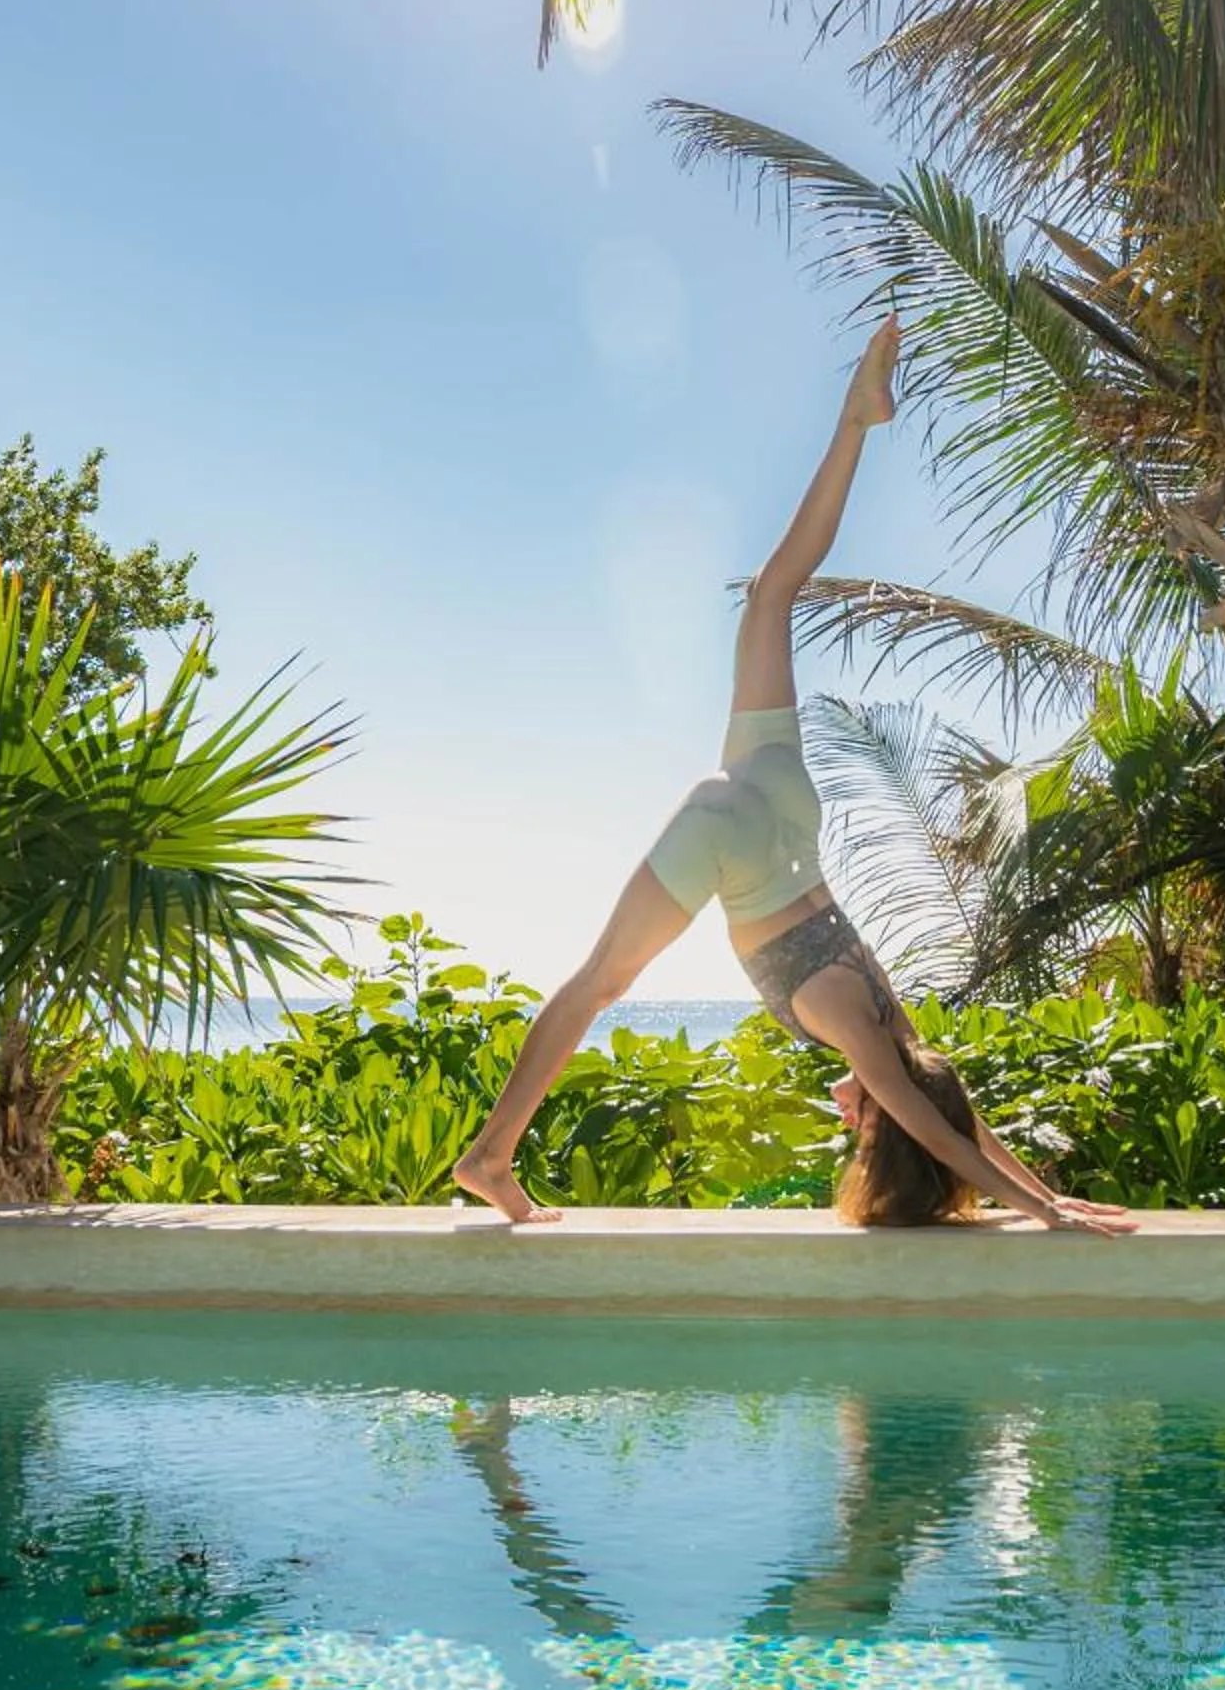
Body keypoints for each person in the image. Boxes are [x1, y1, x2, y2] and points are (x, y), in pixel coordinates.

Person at [450, 319, 1135, 1234]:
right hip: (737, 851)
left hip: (777, 802)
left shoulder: (895, 1023)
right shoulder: (866, 1037)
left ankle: (855, 421)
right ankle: (488, 1156)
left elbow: (952, 1109)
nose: (849, 1111)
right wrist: (1042, 1213)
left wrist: (1047, 1193)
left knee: (776, 591)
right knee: (599, 984)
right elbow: (937, 1128)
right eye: (862, 1119)